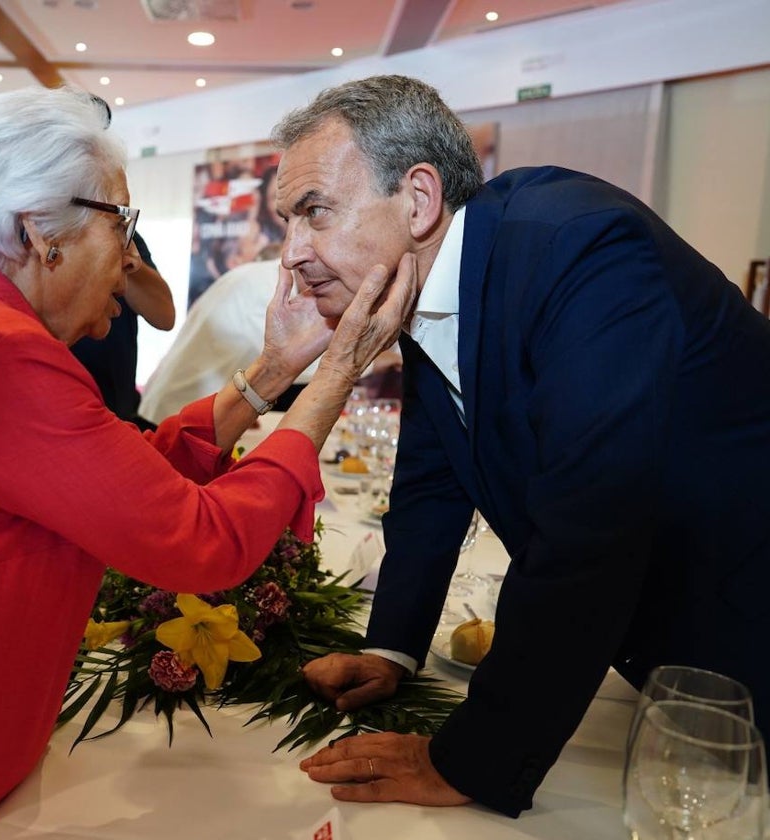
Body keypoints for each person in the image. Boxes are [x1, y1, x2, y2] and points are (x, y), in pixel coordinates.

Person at [0, 85, 412, 840]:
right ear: (39, 233)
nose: (129, 256)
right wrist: (330, 379)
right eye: (120, 222)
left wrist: (271, 371)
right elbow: (200, 541)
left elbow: (115, 475)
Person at [274, 75, 770, 816]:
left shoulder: (581, 245)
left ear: (418, 199)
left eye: (313, 212)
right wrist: (392, 648)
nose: (291, 254)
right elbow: (431, 482)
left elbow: (589, 527)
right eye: (286, 222)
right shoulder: (434, 284)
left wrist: (473, 760)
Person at [138, 251, 401, 425]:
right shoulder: (264, 287)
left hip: (198, 411)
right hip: (173, 414)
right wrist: (373, 360)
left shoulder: (263, 279)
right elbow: (290, 358)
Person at [69, 230, 174, 429]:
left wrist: (118, 243)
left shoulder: (125, 238)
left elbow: (164, 316)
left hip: (120, 414)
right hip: (70, 415)